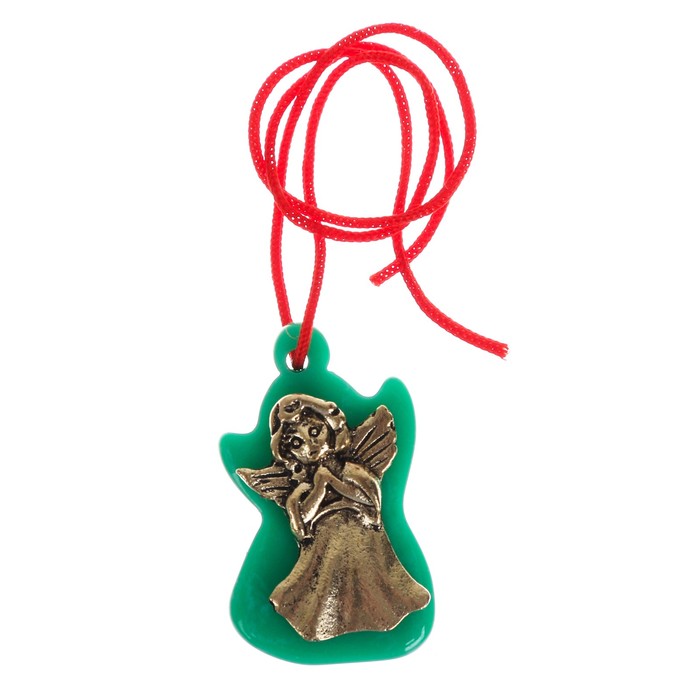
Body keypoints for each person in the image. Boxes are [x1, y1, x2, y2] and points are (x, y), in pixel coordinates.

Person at [238, 394, 430, 641]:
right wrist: (319, 488)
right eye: (297, 443)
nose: (310, 445)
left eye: (315, 431)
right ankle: (321, 622)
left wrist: (332, 481)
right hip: (324, 549)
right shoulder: (300, 491)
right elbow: (300, 527)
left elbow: (372, 501)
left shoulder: (352, 470)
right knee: (323, 589)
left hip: (364, 541)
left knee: (372, 584)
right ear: (288, 454)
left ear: (330, 429)